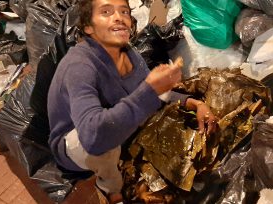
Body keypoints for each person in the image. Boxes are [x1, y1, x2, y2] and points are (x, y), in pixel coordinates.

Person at [47, 0, 217, 202]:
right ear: (88, 27)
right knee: (106, 143)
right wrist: (149, 90)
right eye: (106, 11)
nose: (119, 17)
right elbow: (93, 138)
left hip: (113, 124)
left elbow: (154, 95)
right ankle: (111, 191)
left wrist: (193, 103)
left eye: (124, 11)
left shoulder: (128, 53)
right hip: (78, 142)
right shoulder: (79, 66)